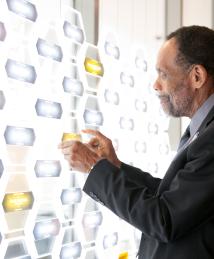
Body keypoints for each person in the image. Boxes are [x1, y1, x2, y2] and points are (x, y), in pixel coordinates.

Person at [59, 25, 214, 259]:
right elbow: (173, 196)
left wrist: (93, 166)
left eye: (164, 74)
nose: (155, 85)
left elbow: (166, 219)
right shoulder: (201, 129)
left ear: (197, 76)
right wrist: (115, 166)